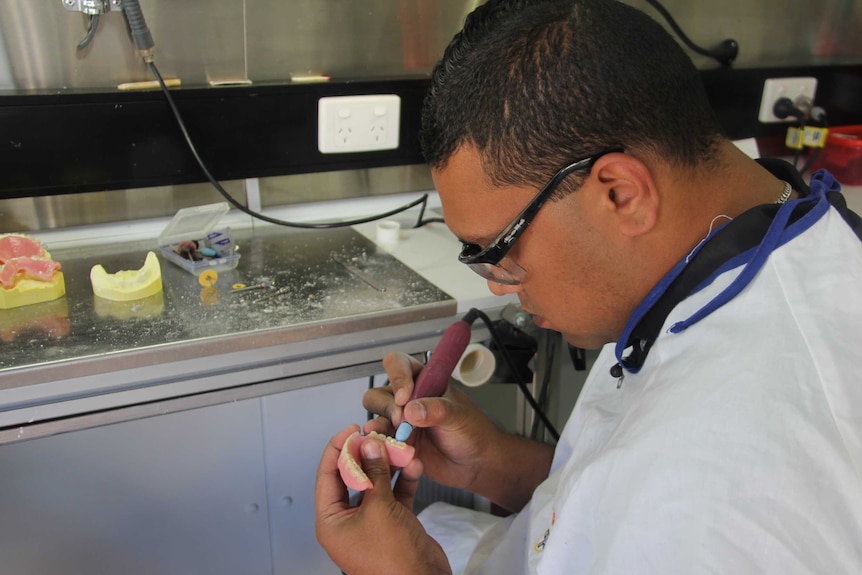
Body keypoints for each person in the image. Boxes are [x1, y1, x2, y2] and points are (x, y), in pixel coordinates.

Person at [315, 0, 862, 573]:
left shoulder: (719, 498)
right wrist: (491, 463)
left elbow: (658, 505)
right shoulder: (732, 243)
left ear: (621, 194)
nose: (499, 288)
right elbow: (605, 503)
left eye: (499, 250)